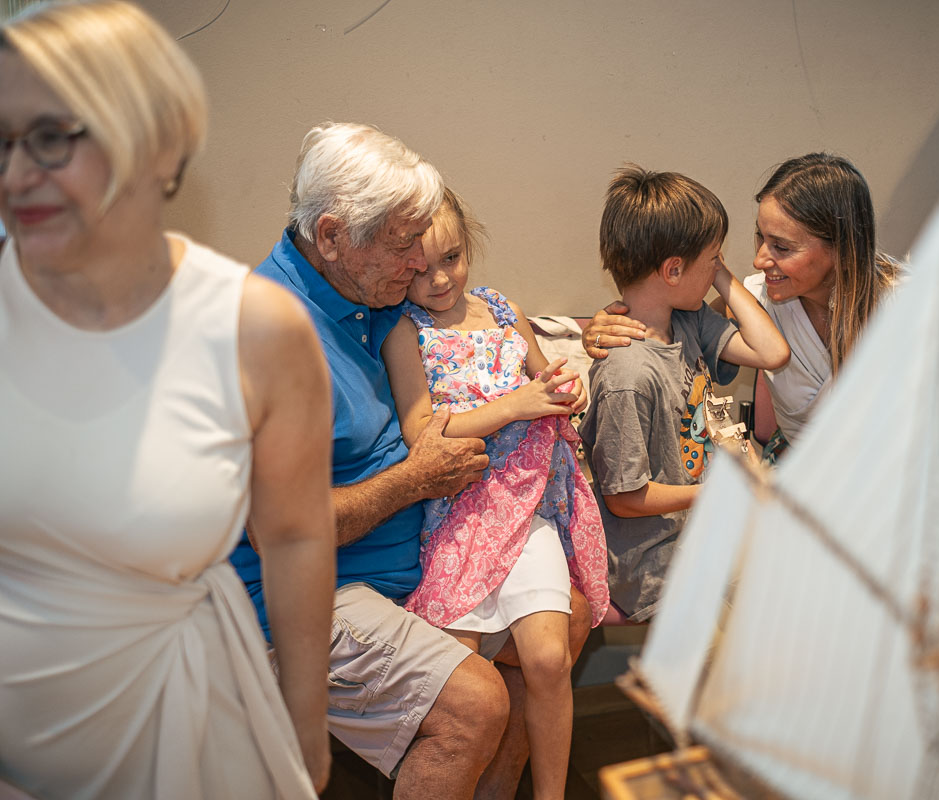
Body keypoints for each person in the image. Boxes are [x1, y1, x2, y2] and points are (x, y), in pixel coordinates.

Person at [0, 2, 334, 798]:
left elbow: (294, 537)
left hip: (175, 729)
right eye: (1, 142)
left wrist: (304, 733)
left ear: (155, 141)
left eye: (50, 137)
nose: (14, 176)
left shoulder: (257, 330)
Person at [229, 122, 590, 799]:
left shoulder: (365, 292)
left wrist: (597, 335)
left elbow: (479, 343)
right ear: (331, 236)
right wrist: (414, 481)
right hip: (308, 595)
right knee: (473, 704)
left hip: (415, 554)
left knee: (566, 617)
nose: (417, 265)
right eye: (403, 247)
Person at [585, 154, 939, 673]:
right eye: (759, 238)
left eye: (782, 247)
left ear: (840, 247)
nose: (760, 259)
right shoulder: (757, 300)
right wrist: (599, 327)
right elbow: (664, 328)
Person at [383, 188, 608, 799]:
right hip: (458, 515)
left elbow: (543, 380)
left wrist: (561, 389)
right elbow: (422, 432)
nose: (439, 279)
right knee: (463, 680)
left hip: (528, 504)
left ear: (470, 246)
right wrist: (516, 406)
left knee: (548, 658)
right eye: (420, 269)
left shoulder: (503, 309)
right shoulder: (406, 330)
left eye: (451, 259)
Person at [579, 166, 790, 623]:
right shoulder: (627, 374)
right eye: (714, 259)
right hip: (658, 567)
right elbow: (624, 498)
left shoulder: (687, 322)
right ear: (673, 269)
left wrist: (718, 274)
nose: (719, 269)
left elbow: (772, 353)